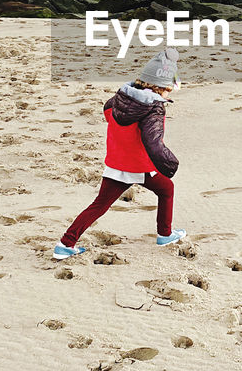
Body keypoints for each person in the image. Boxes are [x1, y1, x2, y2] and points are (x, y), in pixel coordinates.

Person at [54, 48, 186, 259]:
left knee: (99, 205)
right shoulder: (154, 109)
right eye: (169, 88)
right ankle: (165, 234)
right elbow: (153, 142)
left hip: (116, 164)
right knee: (167, 188)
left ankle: (65, 244)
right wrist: (170, 163)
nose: (170, 92)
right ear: (161, 87)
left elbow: (108, 113)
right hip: (140, 167)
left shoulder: (120, 99)